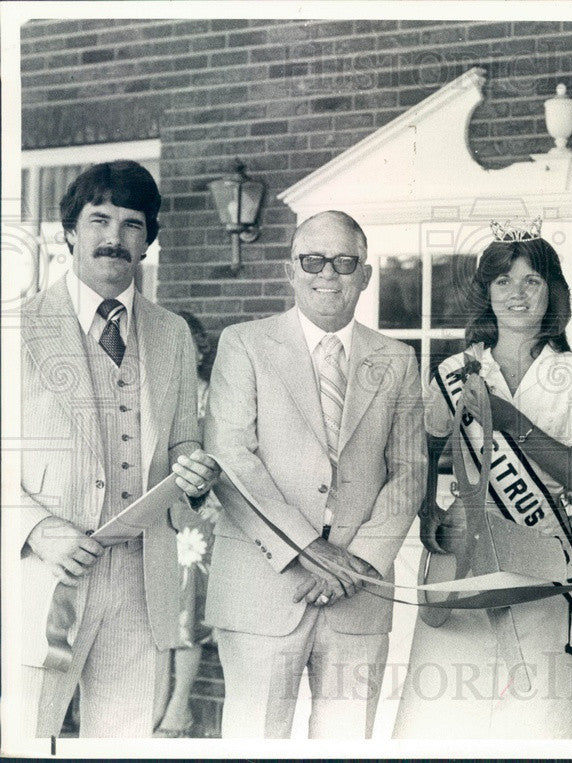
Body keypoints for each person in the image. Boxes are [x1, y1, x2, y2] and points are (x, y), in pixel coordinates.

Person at [203, 210, 426, 738]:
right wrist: (308, 549)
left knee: (347, 742)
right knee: (256, 742)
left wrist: (360, 562)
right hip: (264, 588)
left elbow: (411, 471)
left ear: (365, 275)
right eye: (313, 260)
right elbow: (233, 461)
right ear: (291, 270)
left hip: (360, 592)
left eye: (345, 262)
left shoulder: (397, 359)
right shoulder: (244, 344)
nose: (328, 273)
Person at [18, 160, 219, 738]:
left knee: (124, 743)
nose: (114, 238)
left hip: (142, 579)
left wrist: (196, 471)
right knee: (24, 736)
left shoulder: (172, 333)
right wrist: (37, 530)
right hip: (43, 576)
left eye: (132, 225)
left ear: (148, 242)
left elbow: (184, 441)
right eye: (99, 220)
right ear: (71, 233)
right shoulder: (16, 328)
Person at [392, 225, 572, 739]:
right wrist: (428, 509)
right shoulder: (458, 368)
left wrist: (514, 423)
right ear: (486, 293)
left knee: (536, 718)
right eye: (503, 281)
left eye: (531, 281)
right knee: (443, 715)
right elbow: (421, 448)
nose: (516, 293)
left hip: (539, 550)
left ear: (551, 292)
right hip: (461, 553)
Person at [153, 311, 220, 737]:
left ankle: (180, 708)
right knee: (159, 610)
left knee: (187, 611)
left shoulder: (212, 399)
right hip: (159, 514)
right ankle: (155, 705)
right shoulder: (157, 397)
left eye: (187, 348)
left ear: (199, 352)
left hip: (199, 518)